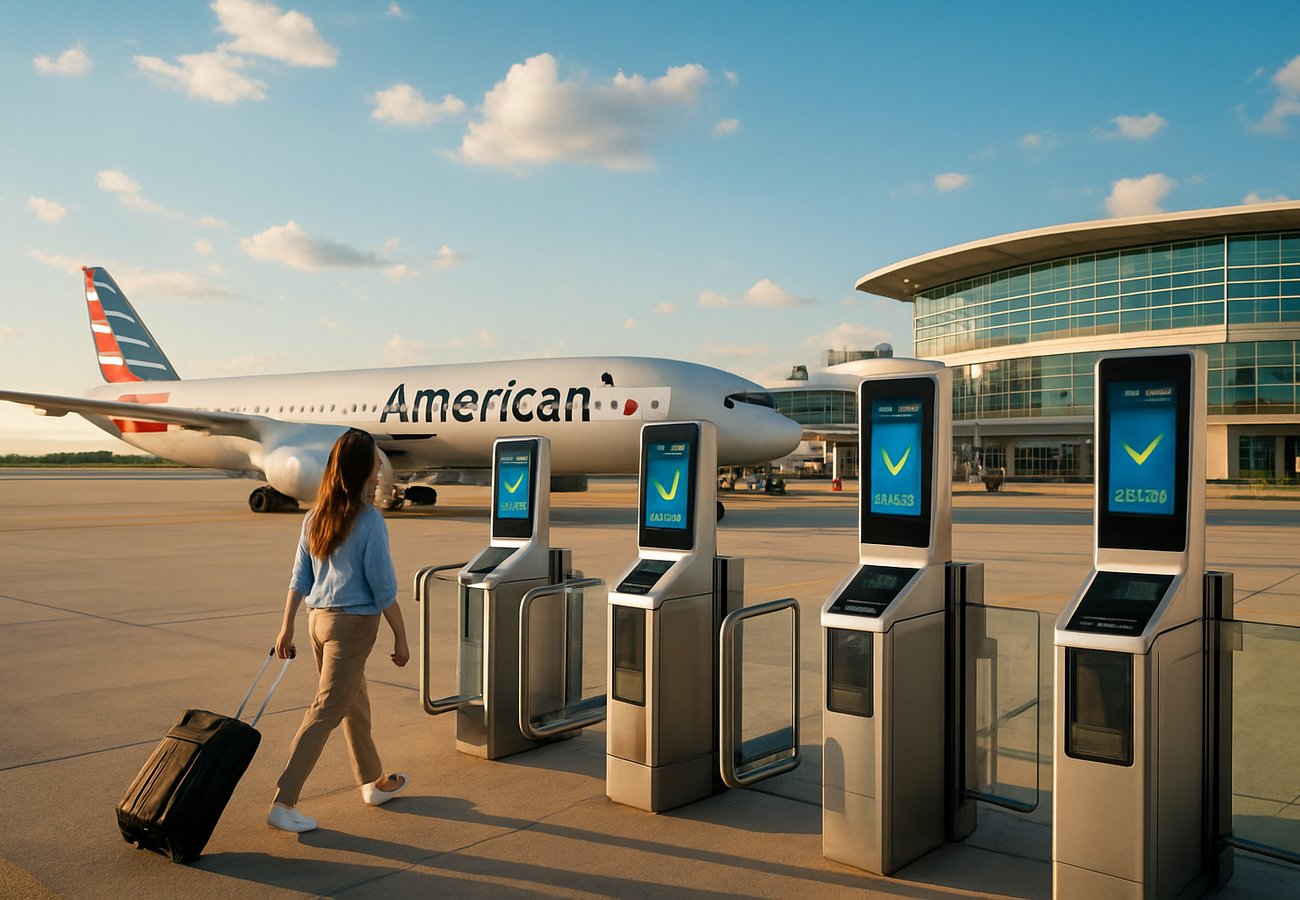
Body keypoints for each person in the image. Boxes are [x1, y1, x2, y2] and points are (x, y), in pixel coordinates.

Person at [267, 428, 411, 834]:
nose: (382, 464)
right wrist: (401, 637)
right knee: (327, 709)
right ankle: (284, 801)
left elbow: (300, 578)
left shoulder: (316, 516)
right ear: (365, 467)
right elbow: (383, 588)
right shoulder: (369, 520)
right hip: (351, 626)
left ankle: (372, 782)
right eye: (376, 458)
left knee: (354, 701)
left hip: (318, 622)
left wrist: (287, 628)